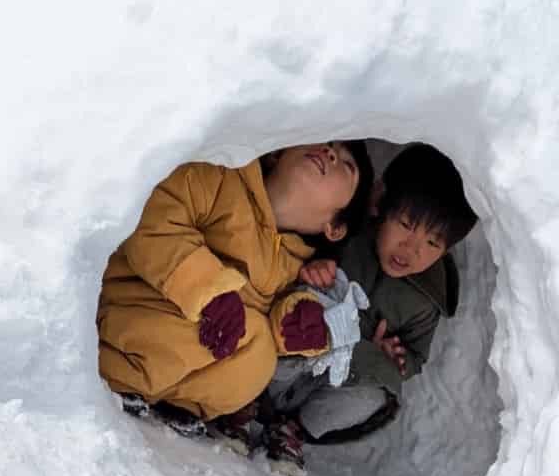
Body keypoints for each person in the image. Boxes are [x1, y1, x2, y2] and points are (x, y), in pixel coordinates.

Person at [96, 142, 374, 429]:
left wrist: (294, 328)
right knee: (251, 333)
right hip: (131, 309)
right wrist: (209, 289)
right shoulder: (223, 176)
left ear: (335, 228)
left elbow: (263, 328)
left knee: (260, 355)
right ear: (279, 152)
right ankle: (117, 370)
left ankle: (177, 403)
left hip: (180, 353)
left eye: (346, 165)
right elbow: (153, 219)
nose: (329, 153)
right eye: (326, 142)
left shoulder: (295, 264)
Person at [255, 142, 477, 476]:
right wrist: (312, 268)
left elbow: (414, 357)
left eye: (432, 243)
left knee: (375, 396)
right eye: (405, 224)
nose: (411, 248)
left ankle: (291, 432)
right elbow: (289, 257)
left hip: (333, 385)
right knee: (298, 327)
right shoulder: (347, 233)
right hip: (286, 363)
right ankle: (243, 403)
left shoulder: (426, 299)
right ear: (379, 205)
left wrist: (392, 357)